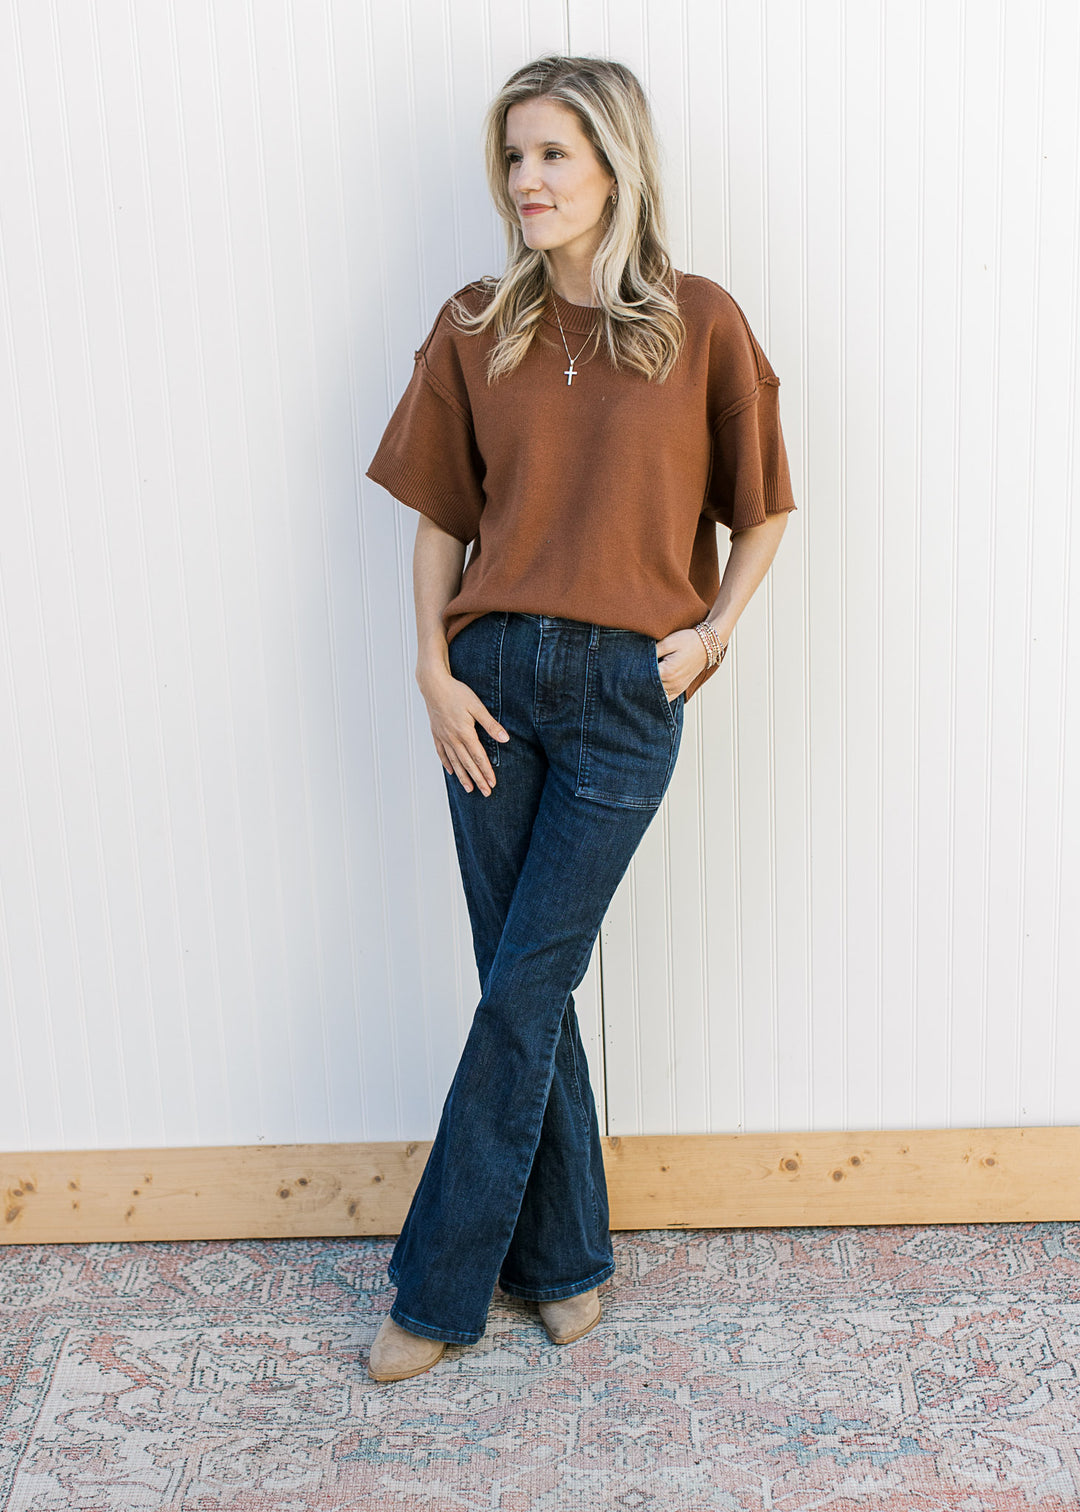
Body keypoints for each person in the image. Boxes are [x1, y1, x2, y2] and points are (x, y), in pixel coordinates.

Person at [363, 53, 796, 1382]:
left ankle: (434, 1293)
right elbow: (440, 521)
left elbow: (765, 507)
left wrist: (713, 635)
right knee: (523, 981)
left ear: (616, 163)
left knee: (525, 981)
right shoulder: (474, 325)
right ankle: (563, 1266)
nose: (527, 181)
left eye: (553, 153)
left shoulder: (699, 323)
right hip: (487, 688)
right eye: (514, 157)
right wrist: (431, 671)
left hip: (624, 697)